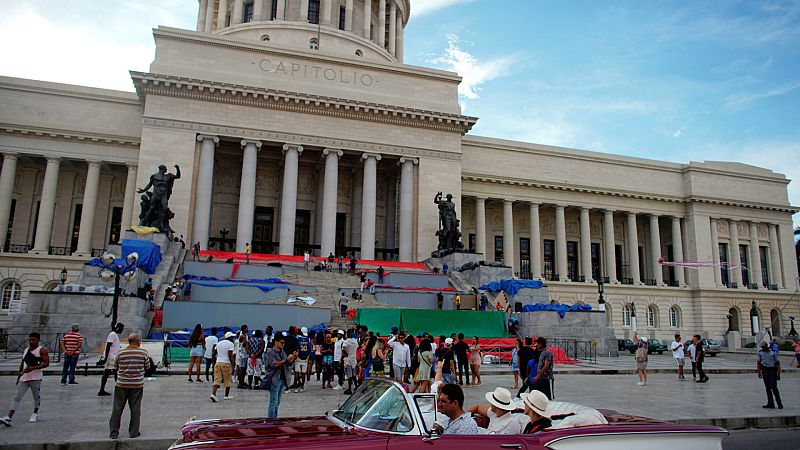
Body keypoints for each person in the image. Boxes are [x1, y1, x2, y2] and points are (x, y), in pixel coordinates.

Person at [0, 332, 49, 426]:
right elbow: (22, 364)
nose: (31, 341)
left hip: (36, 377)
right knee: (17, 397)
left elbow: (46, 363)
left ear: (38, 340)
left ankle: (35, 413)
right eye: (30, 339)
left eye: (33, 340)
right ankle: (9, 417)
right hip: (25, 377)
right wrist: (19, 376)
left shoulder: (42, 350)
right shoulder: (26, 350)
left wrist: (33, 368)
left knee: (36, 397)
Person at [108, 333, 150, 439]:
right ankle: (134, 432)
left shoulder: (121, 352)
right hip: (137, 385)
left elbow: (115, 367)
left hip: (121, 384)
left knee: (117, 409)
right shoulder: (143, 352)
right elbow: (147, 367)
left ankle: (114, 432)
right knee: (135, 409)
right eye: (140, 341)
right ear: (137, 341)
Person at [264, 334, 296, 418]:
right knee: (273, 402)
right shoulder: (270, 352)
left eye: (284, 343)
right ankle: (271, 420)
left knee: (277, 402)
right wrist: (286, 360)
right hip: (275, 380)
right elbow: (273, 365)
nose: (283, 344)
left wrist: (293, 358)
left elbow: (288, 364)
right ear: (276, 342)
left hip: (282, 379)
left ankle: (275, 418)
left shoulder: (282, 352)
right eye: (282, 342)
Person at [99, 323, 125, 396]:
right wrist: (105, 358)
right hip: (111, 357)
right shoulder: (112, 334)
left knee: (111, 373)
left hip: (113, 357)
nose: (122, 330)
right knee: (113, 373)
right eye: (121, 329)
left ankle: (103, 389)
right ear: (118, 328)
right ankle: (118, 390)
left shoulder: (115, 335)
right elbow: (108, 346)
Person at [209, 332, 236, 402]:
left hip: (218, 362)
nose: (233, 338)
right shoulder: (230, 344)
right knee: (227, 379)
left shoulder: (219, 343)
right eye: (232, 337)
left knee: (217, 379)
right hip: (226, 363)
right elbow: (230, 355)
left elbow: (213, 353)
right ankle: (226, 395)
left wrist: (214, 362)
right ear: (229, 337)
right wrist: (233, 365)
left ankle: (213, 394)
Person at [757, 342, 782, 409]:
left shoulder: (773, 352)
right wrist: (759, 372)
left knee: (774, 387)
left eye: (764, 347)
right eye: (762, 347)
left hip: (772, 370)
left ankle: (779, 403)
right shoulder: (760, 353)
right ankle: (770, 403)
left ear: (767, 346)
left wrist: (778, 373)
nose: (763, 348)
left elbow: (778, 363)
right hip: (765, 370)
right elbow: (758, 363)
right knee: (767, 388)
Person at [294, 327, 311, 393]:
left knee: (296, 373)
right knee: (303, 373)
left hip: (298, 358)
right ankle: (302, 387)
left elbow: (296, 347)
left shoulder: (298, 339)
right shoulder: (308, 339)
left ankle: (296, 388)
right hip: (305, 358)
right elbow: (310, 348)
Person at [342, 329, 359, 394]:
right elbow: (357, 347)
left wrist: (345, 354)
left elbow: (343, 349)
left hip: (348, 359)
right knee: (354, 374)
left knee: (349, 375)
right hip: (354, 359)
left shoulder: (346, 342)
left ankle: (349, 389)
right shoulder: (355, 341)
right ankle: (356, 386)